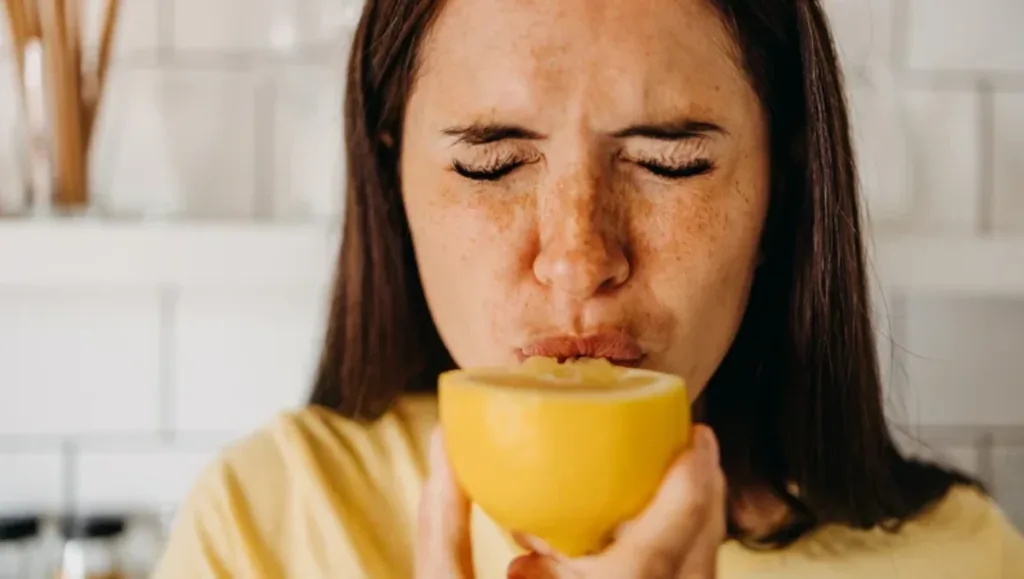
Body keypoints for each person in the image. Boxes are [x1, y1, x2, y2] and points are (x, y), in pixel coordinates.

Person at [152, 0, 1024, 577]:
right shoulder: (264, 527)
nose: (576, 257)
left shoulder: (959, 557)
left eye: (667, 162)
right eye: (490, 165)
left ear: (782, 189)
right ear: (393, 182)